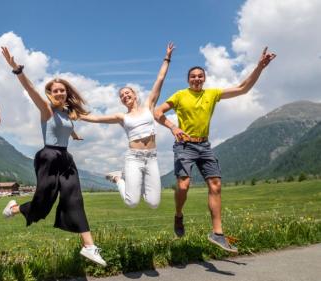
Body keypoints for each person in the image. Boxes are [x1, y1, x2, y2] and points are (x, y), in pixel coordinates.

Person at [154, 47, 276, 252]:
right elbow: (157, 112)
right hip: (184, 144)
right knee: (183, 186)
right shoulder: (180, 95)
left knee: (216, 185)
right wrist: (173, 127)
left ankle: (217, 233)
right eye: (193, 76)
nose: (196, 79)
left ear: (204, 79)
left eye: (200, 76)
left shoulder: (212, 94)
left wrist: (259, 67)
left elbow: (242, 88)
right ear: (188, 79)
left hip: (204, 145)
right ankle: (178, 215)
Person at [0, 46, 106, 267]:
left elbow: (65, 127)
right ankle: (15, 208)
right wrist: (17, 69)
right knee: (44, 203)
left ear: (67, 93)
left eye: (62, 90)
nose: (59, 93)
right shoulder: (46, 109)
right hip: (48, 157)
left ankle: (88, 246)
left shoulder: (67, 113)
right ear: (50, 94)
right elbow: (30, 90)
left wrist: (74, 135)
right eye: (55, 90)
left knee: (74, 198)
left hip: (66, 158)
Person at [78, 43, 174, 209]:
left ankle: (140, 181)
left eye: (127, 93)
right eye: (121, 96)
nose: (124, 96)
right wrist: (77, 115)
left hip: (151, 157)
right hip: (134, 158)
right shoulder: (122, 116)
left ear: (135, 95)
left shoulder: (149, 106)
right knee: (132, 202)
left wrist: (167, 58)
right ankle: (118, 179)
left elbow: (160, 79)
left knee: (153, 203)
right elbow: (96, 118)